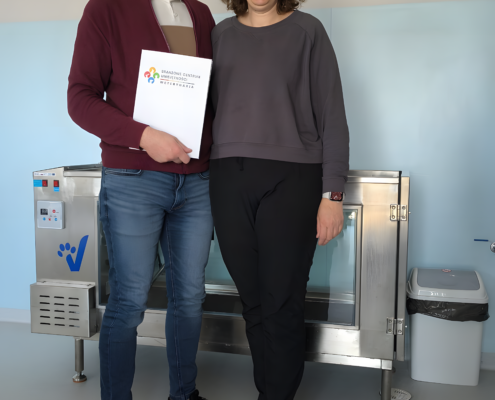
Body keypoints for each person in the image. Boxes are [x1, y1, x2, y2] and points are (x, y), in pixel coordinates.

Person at [67, 1, 215, 399]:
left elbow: (210, 99)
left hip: (197, 181)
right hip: (133, 180)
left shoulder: (199, 13)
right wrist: (144, 136)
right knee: (130, 299)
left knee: (190, 297)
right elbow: (79, 98)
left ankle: (184, 393)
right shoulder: (106, 9)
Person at [209, 0, 349, 399]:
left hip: (293, 178)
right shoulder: (219, 35)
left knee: (282, 302)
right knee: (253, 302)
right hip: (227, 177)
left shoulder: (308, 31)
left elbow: (333, 115)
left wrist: (333, 195)